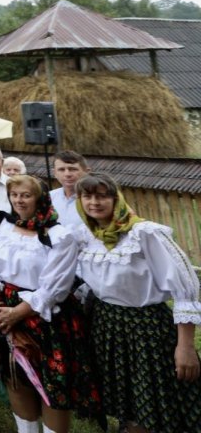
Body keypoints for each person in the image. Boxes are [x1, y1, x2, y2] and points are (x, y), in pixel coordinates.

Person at [74, 173, 201, 433]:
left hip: (146, 327)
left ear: (116, 198)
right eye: (87, 196)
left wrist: (185, 346)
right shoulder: (86, 236)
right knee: (126, 400)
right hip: (107, 325)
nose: (94, 202)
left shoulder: (145, 233)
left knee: (157, 399)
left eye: (101, 196)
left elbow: (184, 288)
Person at [0, 174, 100, 433]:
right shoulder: (0, 226)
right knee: (16, 377)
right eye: (15, 195)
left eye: (26, 195)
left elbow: (54, 287)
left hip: (46, 316)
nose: (19, 201)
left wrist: (16, 314)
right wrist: (0, 309)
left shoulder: (58, 235)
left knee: (52, 384)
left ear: (41, 199)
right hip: (2, 308)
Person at [49, 150, 88, 227]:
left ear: (86, 172)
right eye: (61, 170)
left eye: (73, 169)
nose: (67, 174)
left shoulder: (95, 201)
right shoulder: (49, 198)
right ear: (55, 173)